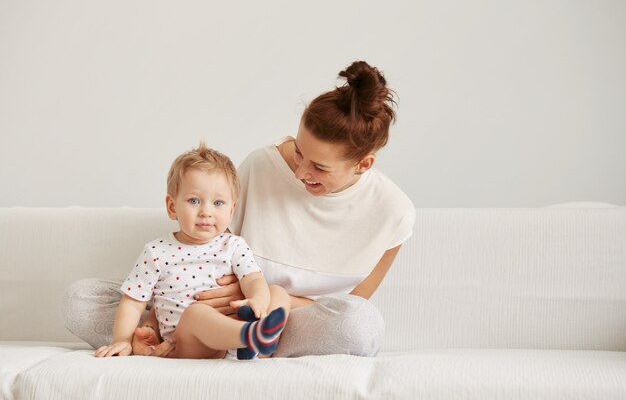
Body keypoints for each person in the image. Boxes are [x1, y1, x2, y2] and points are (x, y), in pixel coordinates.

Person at [63, 60, 415, 357]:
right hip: (201, 303)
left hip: (293, 322)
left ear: (364, 165)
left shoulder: (393, 213)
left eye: (319, 168)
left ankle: (254, 338)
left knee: (359, 325)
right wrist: (162, 313)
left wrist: (264, 298)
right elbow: (211, 244)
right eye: (299, 153)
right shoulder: (260, 166)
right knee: (81, 300)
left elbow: (350, 305)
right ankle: (169, 338)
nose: (301, 172)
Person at [94, 144, 290, 360]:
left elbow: (253, 279)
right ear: (171, 207)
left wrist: (258, 301)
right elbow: (133, 303)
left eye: (218, 203)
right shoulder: (156, 252)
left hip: (234, 330)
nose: (206, 212)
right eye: (194, 201)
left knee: (277, 292)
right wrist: (122, 340)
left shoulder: (234, 245)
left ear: (231, 210)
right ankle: (250, 336)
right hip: (190, 343)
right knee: (197, 313)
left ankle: (258, 339)